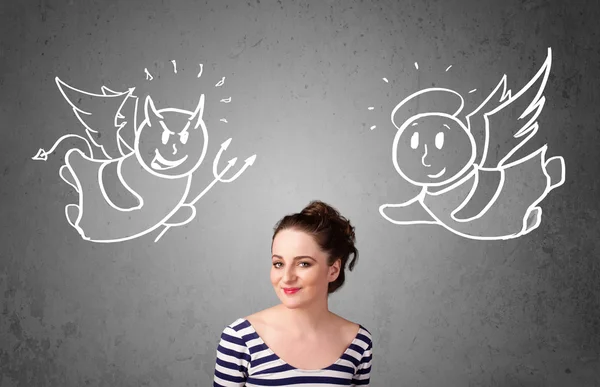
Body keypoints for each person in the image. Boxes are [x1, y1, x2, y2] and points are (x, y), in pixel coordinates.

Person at [213, 200, 372, 386]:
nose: (287, 277)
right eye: (278, 264)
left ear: (333, 270)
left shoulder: (358, 343)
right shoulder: (240, 339)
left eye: (303, 263)